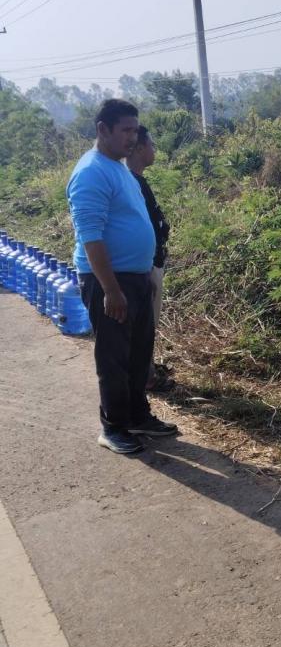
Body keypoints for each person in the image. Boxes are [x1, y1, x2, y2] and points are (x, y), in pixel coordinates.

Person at [66, 99, 178, 455]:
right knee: (114, 357)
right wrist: (111, 290)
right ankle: (113, 426)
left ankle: (137, 415)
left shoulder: (118, 168)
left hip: (135, 276)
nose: (133, 137)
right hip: (109, 280)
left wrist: (144, 273)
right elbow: (91, 236)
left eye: (135, 130)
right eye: (126, 130)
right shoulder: (91, 172)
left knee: (138, 353)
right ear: (103, 129)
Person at [126, 124, 171, 391]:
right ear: (140, 148)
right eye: (151, 145)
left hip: (151, 263)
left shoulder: (137, 181)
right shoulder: (131, 183)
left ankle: (146, 371)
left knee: (147, 325)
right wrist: (149, 267)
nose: (154, 150)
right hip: (146, 267)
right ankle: (146, 377)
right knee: (144, 326)